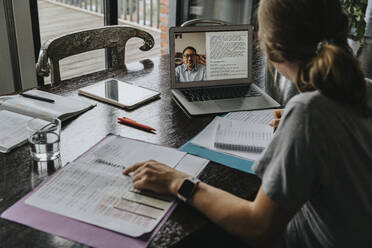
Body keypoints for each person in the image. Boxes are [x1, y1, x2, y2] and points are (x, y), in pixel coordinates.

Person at [123, 0, 372, 247]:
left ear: (271, 49)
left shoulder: (309, 113)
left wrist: (177, 181)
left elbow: (257, 227)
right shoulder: (362, 88)